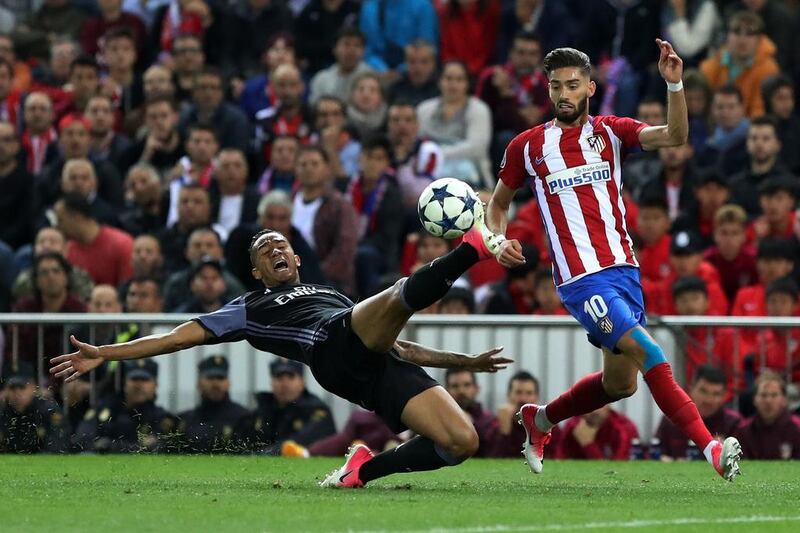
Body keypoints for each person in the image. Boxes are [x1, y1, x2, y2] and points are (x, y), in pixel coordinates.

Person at [51, 209, 514, 487]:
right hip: (332, 351)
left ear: (295, 258)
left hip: (375, 359)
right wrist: (105, 353)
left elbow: (394, 340)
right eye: (263, 251)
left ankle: (363, 471)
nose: (275, 250)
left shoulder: (330, 293)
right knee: (395, 296)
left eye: (281, 245)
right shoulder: (249, 307)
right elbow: (174, 338)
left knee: (461, 443)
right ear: (258, 271)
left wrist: (464, 361)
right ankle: (473, 247)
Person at [487, 43, 742, 480]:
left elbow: (675, 137)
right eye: (555, 86)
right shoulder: (527, 147)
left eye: (572, 85)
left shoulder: (611, 132)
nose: (563, 94)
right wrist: (496, 240)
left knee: (619, 384)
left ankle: (540, 419)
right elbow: (498, 204)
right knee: (651, 351)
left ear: (590, 86)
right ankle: (710, 448)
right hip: (580, 280)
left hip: (624, 270)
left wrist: (674, 83)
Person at [75, 358, 178, 453]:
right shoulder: (107, 410)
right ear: (125, 382)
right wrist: (140, 446)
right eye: (134, 379)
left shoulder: (161, 417)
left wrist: (108, 446)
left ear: (156, 385)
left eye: (144, 380)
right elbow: (81, 441)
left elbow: (164, 449)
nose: (138, 385)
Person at [238, 358, 336, 454]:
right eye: (279, 377)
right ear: (271, 383)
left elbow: (304, 440)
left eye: (291, 377)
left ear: (302, 382)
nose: (285, 384)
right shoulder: (262, 410)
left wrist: (270, 452)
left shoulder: (316, 410)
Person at [655, 365, 742, 460]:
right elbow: (653, 452)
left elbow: (745, 462)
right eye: (703, 391)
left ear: (724, 395)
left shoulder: (734, 423)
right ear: (691, 388)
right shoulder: (671, 420)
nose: (708, 400)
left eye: (716, 394)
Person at [176, 355, 250, 453]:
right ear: (199, 384)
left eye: (220, 378)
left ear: (228, 383)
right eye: (210, 378)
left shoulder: (243, 418)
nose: (215, 383)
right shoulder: (185, 420)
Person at [0, 362, 70, 453]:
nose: (17, 393)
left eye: (22, 387)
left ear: (33, 387)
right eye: (12, 388)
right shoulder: (3, 411)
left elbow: (57, 447)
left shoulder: (47, 409)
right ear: (5, 390)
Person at [733, 370, 800, 460]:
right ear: (754, 399)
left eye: (774, 395)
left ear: (784, 399)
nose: (768, 401)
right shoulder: (743, 430)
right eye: (763, 395)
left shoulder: (797, 429)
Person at [444, 368, 497, 457]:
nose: (461, 391)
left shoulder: (490, 421)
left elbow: (495, 453)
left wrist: (473, 426)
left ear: (476, 388)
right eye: (455, 386)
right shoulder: (438, 420)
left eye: (467, 385)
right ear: (445, 390)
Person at [557, 405, 639, 460]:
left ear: (609, 404)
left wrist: (588, 445)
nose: (594, 411)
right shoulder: (573, 426)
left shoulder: (623, 428)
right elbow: (561, 461)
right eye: (589, 404)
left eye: (600, 404)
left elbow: (618, 470)